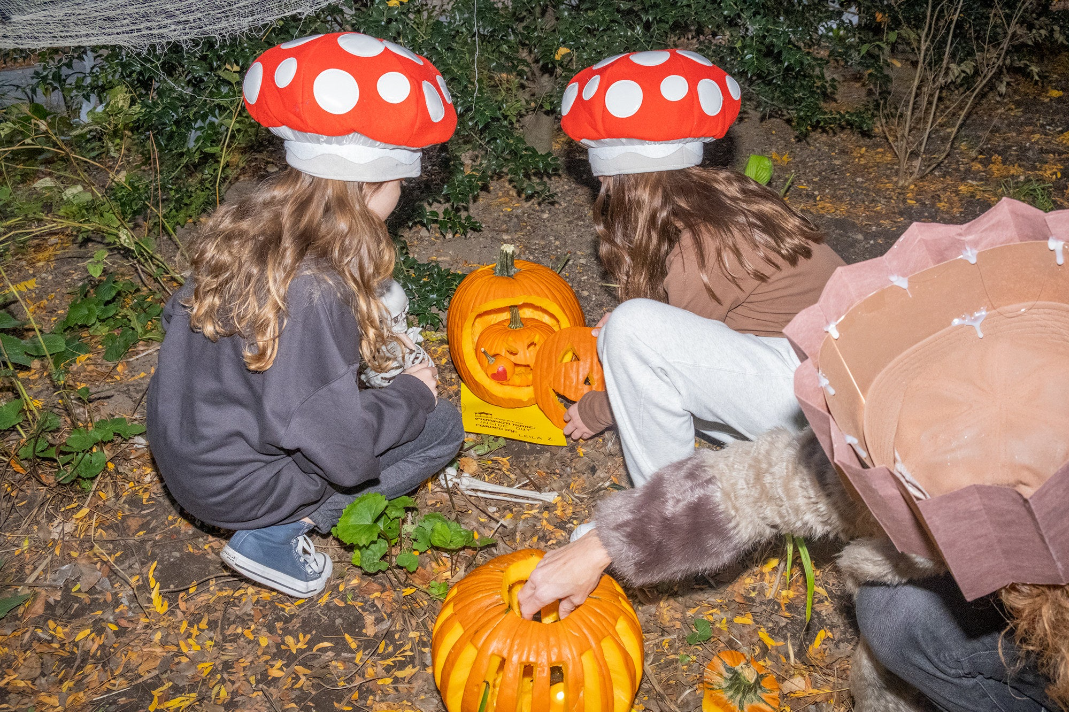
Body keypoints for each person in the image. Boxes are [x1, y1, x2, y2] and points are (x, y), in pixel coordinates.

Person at [146, 33, 464, 598]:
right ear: (368, 188)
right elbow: (338, 447)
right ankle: (275, 534)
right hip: (235, 488)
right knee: (441, 427)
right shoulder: (318, 290)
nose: (400, 197)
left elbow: (186, 332)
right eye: (398, 184)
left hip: (186, 449)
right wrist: (414, 394)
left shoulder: (248, 228)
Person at [556, 50, 845, 490]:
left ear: (629, 183)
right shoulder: (722, 200)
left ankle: (666, 513)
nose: (603, 187)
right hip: (833, 374)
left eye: (605, 178)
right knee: (638, 329)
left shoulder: (698, 242)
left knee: (634, 329)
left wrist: (599, 407)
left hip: (818, 399)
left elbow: (655, 351)